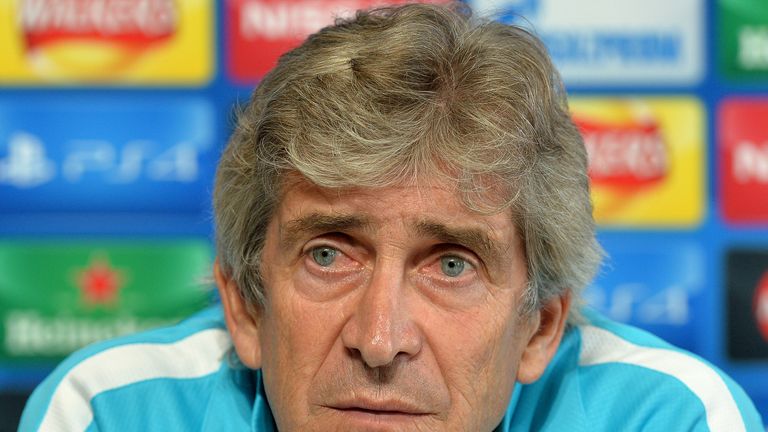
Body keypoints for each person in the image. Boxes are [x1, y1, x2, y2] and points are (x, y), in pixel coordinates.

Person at [19, 3, 763, 431]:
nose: (380, 340)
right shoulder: (113, 412)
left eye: (451, 264)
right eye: (329, 254)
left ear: (539, 326)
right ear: (245, 304)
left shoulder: (669, 418)